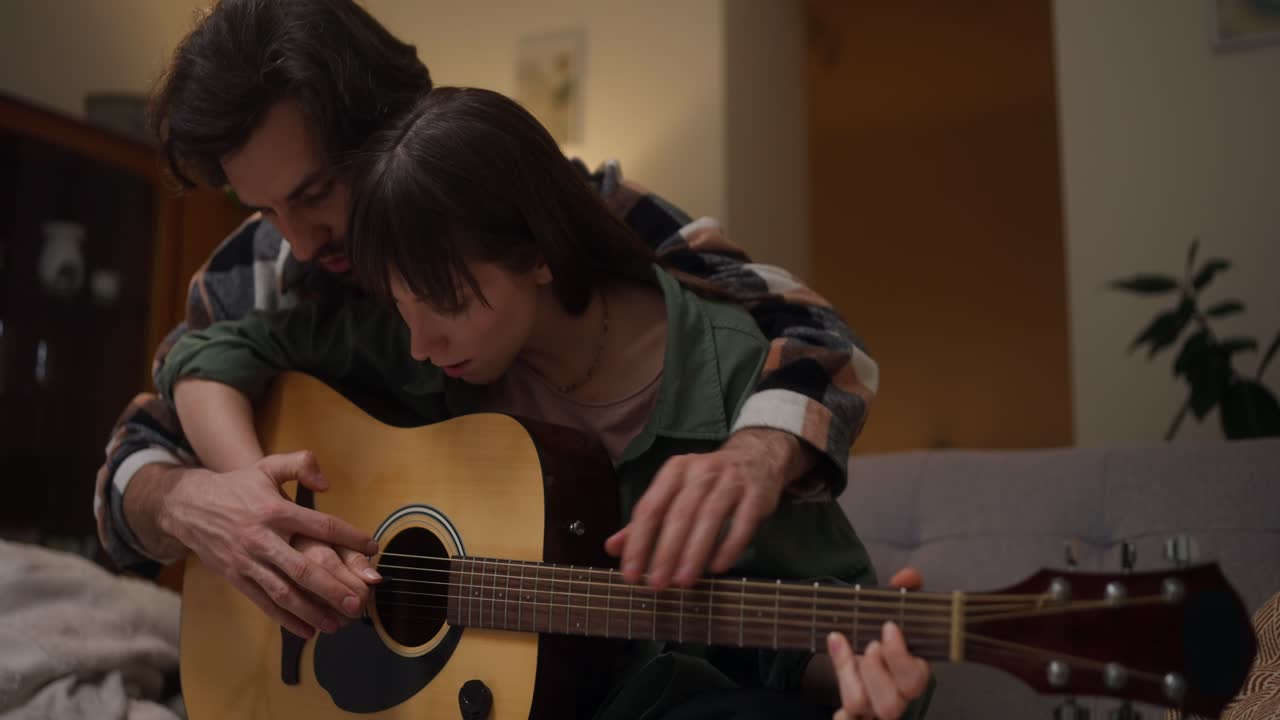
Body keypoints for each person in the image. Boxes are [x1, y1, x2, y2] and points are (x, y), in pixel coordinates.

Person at [95, 0, 880, 648]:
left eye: (317, 192)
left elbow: (805, 328)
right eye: (262, 207)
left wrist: (752, 454)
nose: (294, 239)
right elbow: (134, 460)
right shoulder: (256, 274)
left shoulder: (556, 211)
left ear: (393, 132)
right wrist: (199, 503)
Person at [153, 85, 930, 720]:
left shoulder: (730, 377)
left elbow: (813, 645)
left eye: (448, 302)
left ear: (538, 255)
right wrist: (266, 508)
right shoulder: (431, 348)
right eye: (399, 307)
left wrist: (861, 681)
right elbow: (201, 351)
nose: (419, 342)